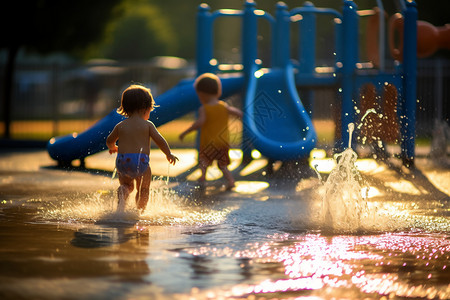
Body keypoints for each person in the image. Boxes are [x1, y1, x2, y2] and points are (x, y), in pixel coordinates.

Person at [106, 84, 178, 213]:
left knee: (126, 185)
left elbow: (109, 140)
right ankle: (140, 212)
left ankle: (121, 202)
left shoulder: (120, 125)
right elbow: (160, 140)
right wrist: (168, 153)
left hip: (122, 161)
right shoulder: (148, 125)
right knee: (143, 189)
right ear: (145, 108)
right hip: (140, 161)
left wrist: (113, 147)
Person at [179, 73, 243, 189]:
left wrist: (186, 131)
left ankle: (203, 178)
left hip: (208, 143)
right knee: (223, 165)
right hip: (223, 143)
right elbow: (238, 113)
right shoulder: (224, 106)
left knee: (204, 162)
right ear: (218, 91)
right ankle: (231, 181)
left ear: (201, 94)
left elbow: (200, 122)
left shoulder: (204, 108)